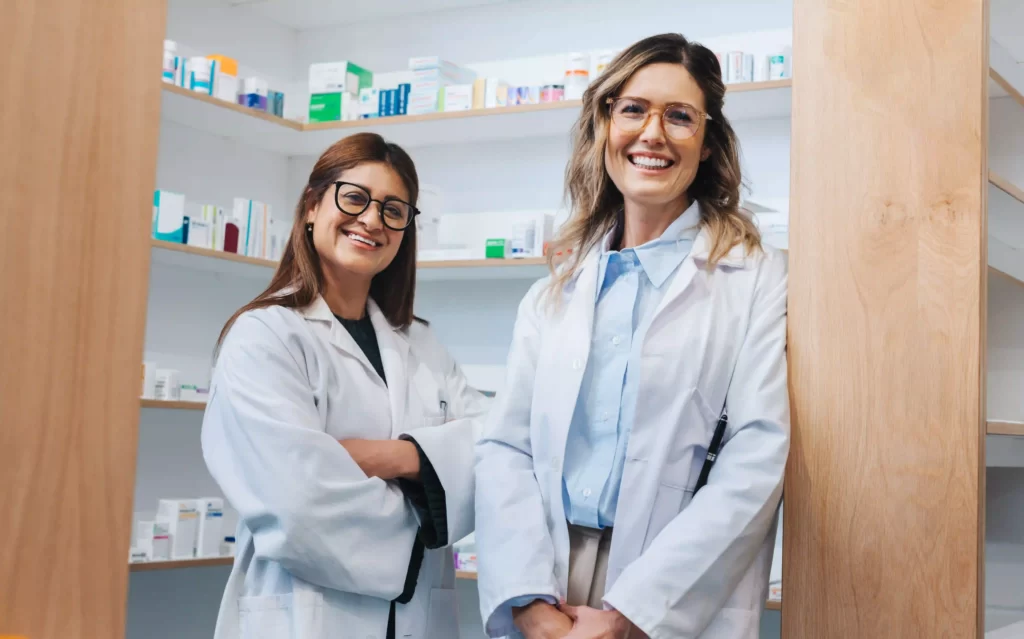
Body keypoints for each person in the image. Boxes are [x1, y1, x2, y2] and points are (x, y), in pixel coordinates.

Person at [475, 33, 789, 639]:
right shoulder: (555, 290)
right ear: (605, 124)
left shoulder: (755, 276)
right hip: (549, 582)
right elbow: (505, 449)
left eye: (680, 116)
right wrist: (528, 599)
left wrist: (632, 616)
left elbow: (756, 456)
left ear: (708, 140)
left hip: (670, 587)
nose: (653, 134)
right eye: (634, 109)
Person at [202, 132, 484, 639]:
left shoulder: (421, 344)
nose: (373, 220)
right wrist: (435, 486)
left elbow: (496, 449)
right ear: (312, 205)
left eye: (394, 210)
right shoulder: (266, 335)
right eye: (354, 198)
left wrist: (399, 458)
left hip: (419, 619)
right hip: (303, 617)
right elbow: (298, 503)